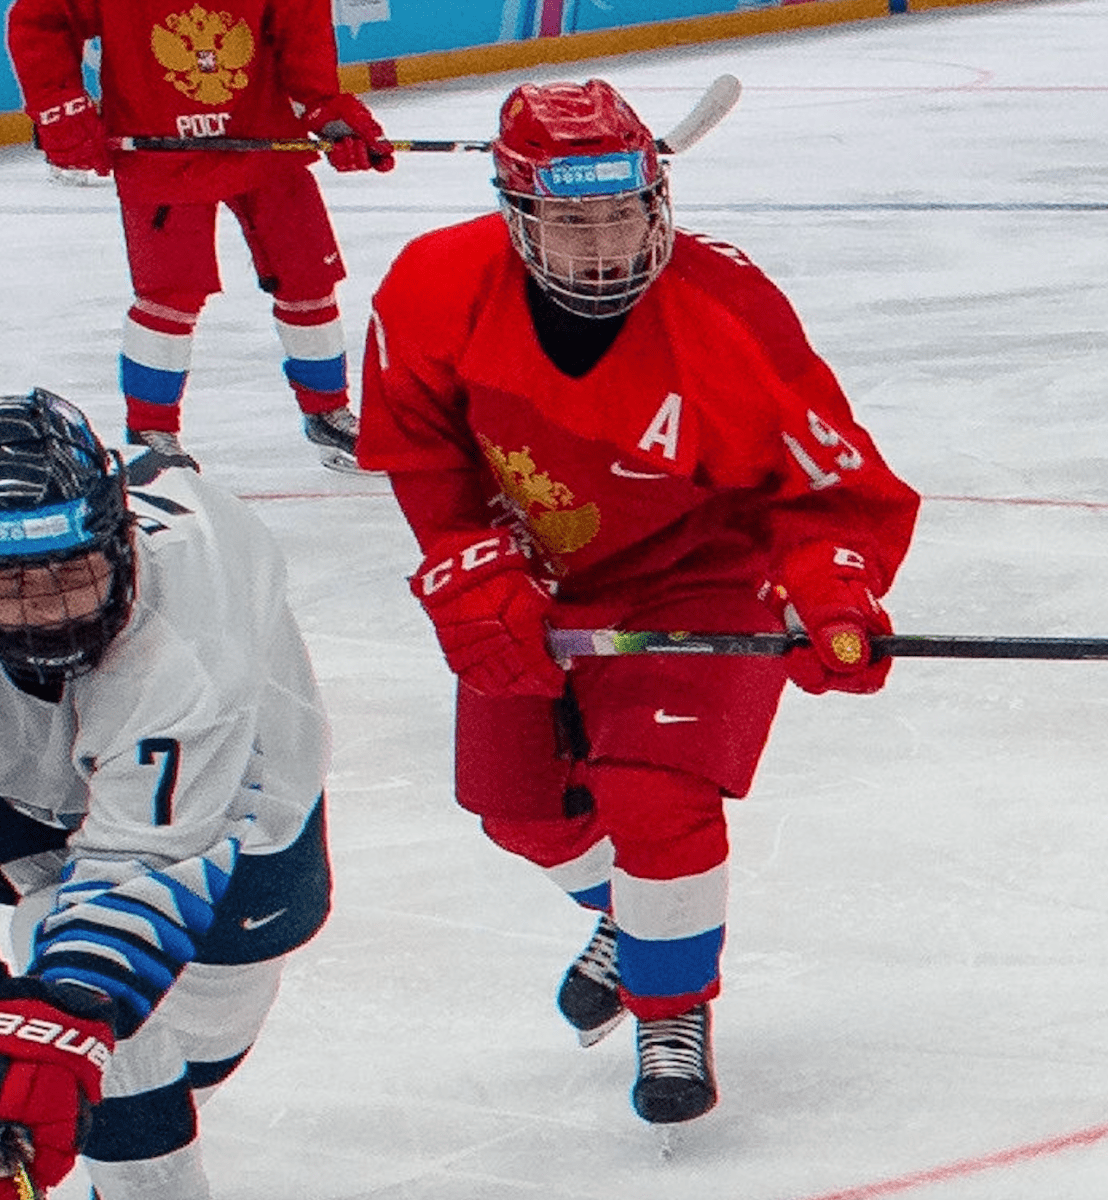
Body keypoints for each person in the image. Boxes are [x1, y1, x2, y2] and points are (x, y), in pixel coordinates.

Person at [357, 77, 920, 1125]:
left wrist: (831, 589)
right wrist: (471, 564)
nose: (606, 241)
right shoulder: (434, 288)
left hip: (696, 573)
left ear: (658, 200)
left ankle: (672, 1008)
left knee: (656, 797)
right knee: (520, 811)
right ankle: (640, 918)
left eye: (624, 211)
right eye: (574, 219)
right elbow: (426, 456)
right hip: (533, 572)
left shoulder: (724, 309)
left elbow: (832, 487)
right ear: (519, 212)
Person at [0, 388, 331, 1200]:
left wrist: (61, 1030)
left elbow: (137, 863)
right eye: (12, 587)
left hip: (237, 810)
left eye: (72, 574)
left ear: (117, 543)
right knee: (71, 998)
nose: (48, 614)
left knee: (158, 1038)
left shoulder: (186, 633)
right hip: (36, 795)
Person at [6, 0, 396, 473]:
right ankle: (152, 433)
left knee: (308, 275)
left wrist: (329, 113)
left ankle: (327, 412)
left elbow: (302, 39)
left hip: (264, 137)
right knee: (171, 294)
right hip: (161, 151)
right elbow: (41, 19)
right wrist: (59, 107)